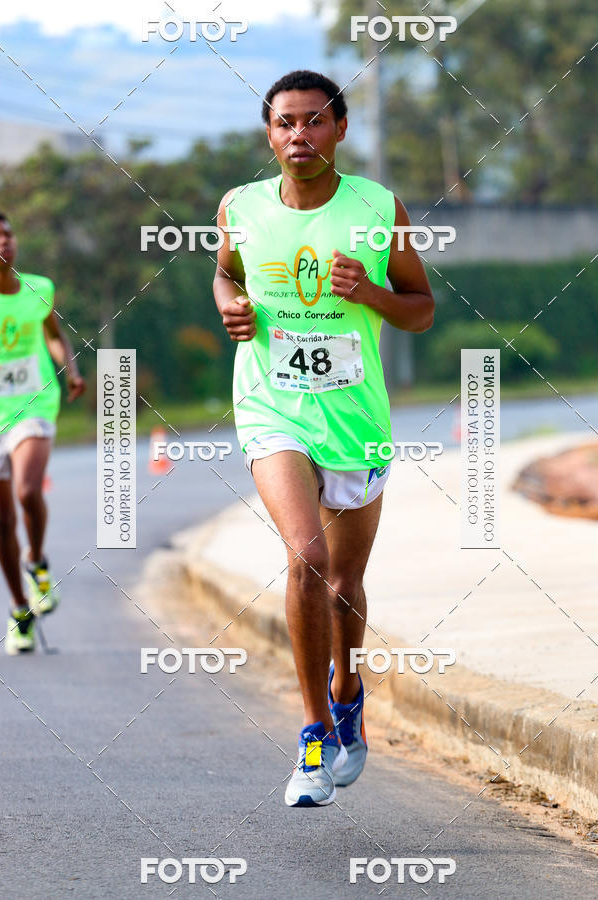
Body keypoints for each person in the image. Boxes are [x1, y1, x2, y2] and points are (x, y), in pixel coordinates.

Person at [213, 70, 434, 806]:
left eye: (313, 121)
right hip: (272, 406)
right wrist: (233, 307)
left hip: (354, 418)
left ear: (339, 129)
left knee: (343, 584)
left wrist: (368, 292)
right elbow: (223, 276)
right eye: (284, 123)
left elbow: (421, 309)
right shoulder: (239, 207)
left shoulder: (377, 209)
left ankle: (346, 686)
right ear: (269, 134)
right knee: (304, 557)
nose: (298, 136)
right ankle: (312, 737)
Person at [0, 212, 86, 654]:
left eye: (8, 234)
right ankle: (20, 611)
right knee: (0, 522)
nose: (4, 242)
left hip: (33, 402)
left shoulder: (39, 287)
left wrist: (69, 368)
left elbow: (54, 336)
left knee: (29, 491)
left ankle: (37, 561)